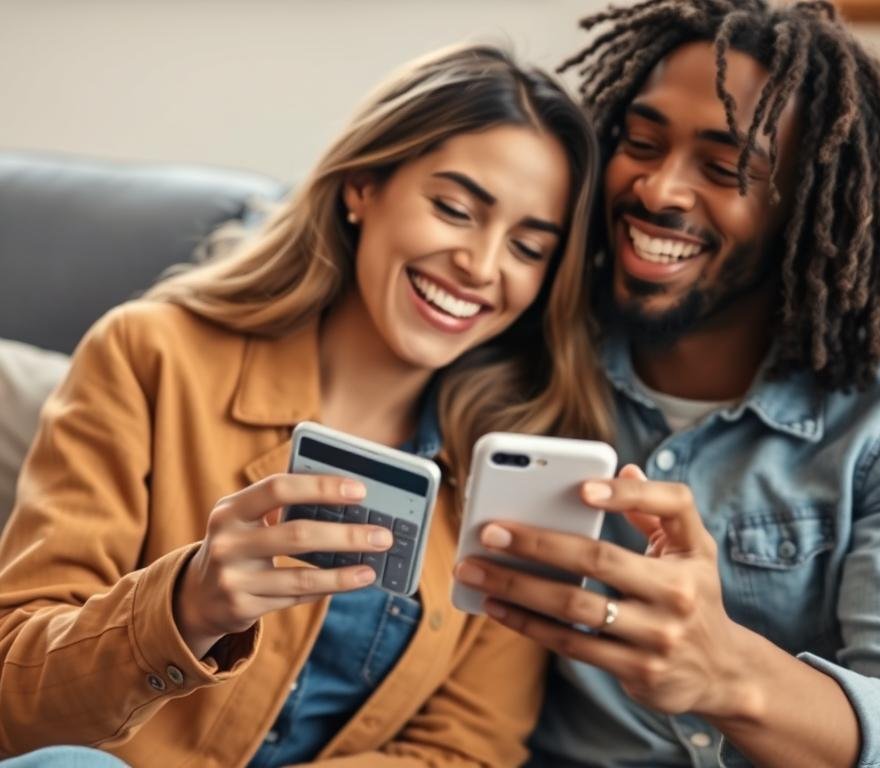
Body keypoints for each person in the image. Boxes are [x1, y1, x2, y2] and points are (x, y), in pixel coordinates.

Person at [0, 44, 612, 766]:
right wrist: (183, 609)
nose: (481, 267)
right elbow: (14, 697)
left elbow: (468, 749)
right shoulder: (152, 355)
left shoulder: (506, 470)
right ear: (362, 185)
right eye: (454, 209)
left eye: (528, 248)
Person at [453, 2, 880, 766]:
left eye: (725, 169)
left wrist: (726, 673)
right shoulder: (522, 343)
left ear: (806, 210)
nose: (659, 191)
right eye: (642, 143)